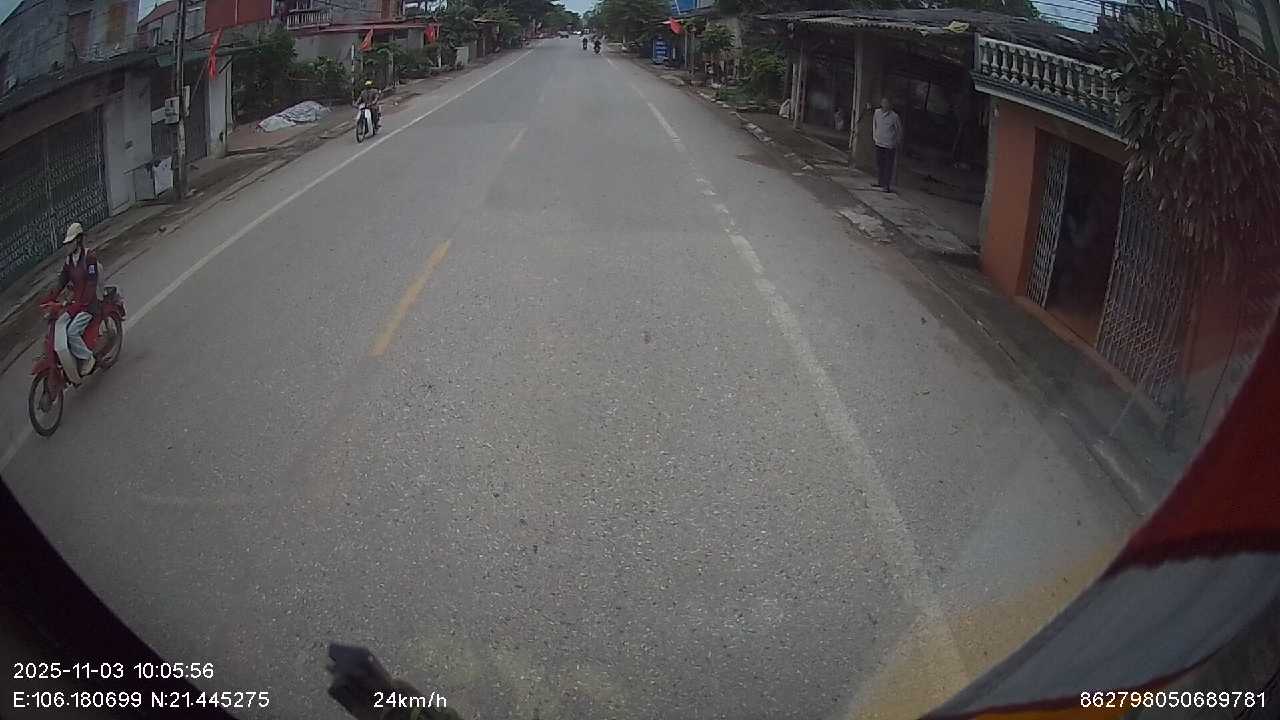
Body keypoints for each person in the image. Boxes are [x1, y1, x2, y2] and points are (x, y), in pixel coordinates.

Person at [44, 223, 102, 376]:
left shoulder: (89, 257)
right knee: (59, 326)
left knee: (71, 332)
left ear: (79, 240)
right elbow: (61, 281)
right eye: (67, 243)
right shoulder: (69, 261)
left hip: (89, 305)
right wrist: (50, 298)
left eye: (71, 242)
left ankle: (88, 358)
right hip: (75, 304)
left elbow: (92, 283)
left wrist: (83, 303)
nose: (68, 246)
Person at [872, 97, 903, 193]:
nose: (885, 105)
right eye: (883, 102)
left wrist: (897, 142)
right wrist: (875, 136)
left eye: (887, 103)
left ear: (890, 105)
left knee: (888, 165)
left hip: (889, 145)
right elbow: (874, 124)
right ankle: (880, 182)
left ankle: (886, 185)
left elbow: (899, 130)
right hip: (879, 142)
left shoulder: (894, 116)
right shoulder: (877, 112)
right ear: (881, 103)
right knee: (879, 163)